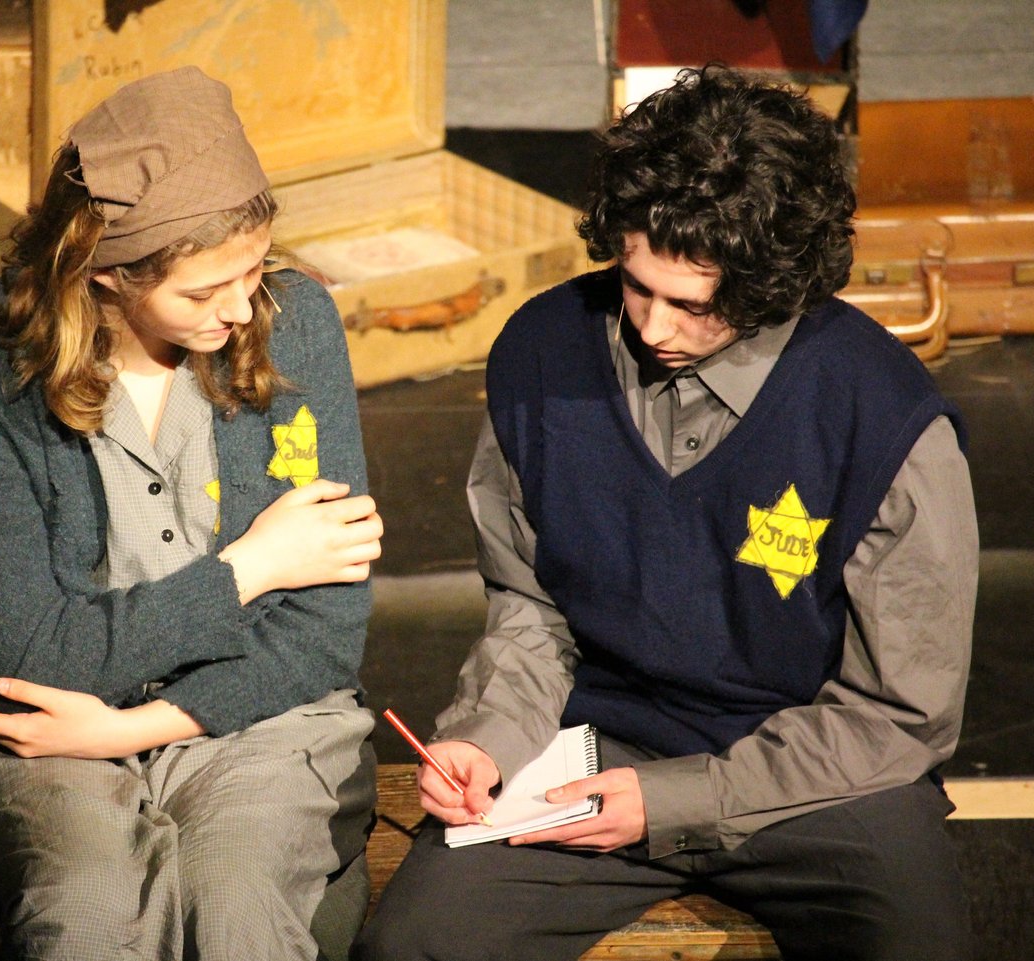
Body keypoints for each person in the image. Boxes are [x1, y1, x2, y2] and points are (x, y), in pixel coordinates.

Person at [356, 65, 977, 961]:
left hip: (824, 772)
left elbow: (900, 715)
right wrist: (487, 739)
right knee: (413, 944)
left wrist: (681, 798)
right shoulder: (539, 355)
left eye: (692, 303)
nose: (649, 326)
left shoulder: (882, 415)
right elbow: (531, 610)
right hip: (593, 751)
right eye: (634, 282)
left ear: (774, 287)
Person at [0, 66, 383, 961]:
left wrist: (134, 727)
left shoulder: (293, 320)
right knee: (86, 915)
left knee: (236, 902)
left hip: (261, 716)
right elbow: (23, 654)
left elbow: (324, 632)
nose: (241, 307)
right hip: (46, 734)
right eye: (204, 293)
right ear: (102, 277)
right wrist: (252, 566)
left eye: (252, 270)